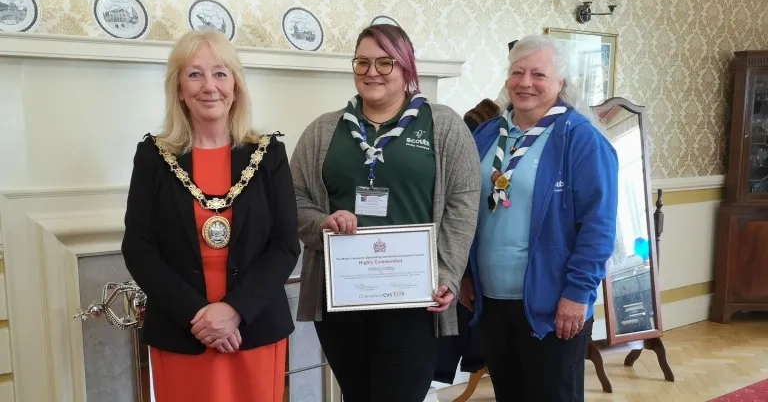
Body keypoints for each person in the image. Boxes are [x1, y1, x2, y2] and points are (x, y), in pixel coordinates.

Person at [290, 24, 481, 402]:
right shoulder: (323, 131)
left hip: (413, 299)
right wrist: (321, 224)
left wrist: (447, 273)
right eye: (362, 62)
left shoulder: (443, 125)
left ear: (406, 68)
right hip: (342, 297)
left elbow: (463, 203)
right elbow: (293, 197)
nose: (371, 71)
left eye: (384, 62)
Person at [121, 29, 300, 402]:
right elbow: (139, 247)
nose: (209, 86)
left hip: (253, 326)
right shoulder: (153, 157)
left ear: (236, 85)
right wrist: (199, 315)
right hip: (182, 327)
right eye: (195, 74)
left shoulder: (268, 156)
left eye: (220, 73)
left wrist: (235, 310)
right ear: (179, 89)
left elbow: (284, 245)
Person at [459, 34, 619, 402]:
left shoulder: (581, 139)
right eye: (517, 72)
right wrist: (467, 273)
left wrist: (578, 294)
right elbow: (466, 207)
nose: (525, 82)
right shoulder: (487, 134)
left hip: (552, 305)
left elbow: (599, 226)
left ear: (561, 83)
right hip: (492, 301)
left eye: (539, 74)